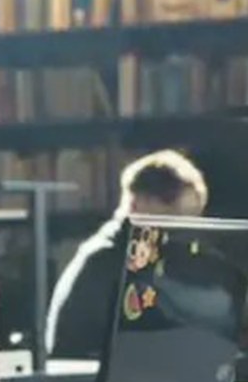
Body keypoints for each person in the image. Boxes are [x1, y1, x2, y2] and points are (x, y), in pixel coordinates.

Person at [46, 149, 209, 359]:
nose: (182, 238)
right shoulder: (105, 261)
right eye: (171, 223)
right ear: (136, 205)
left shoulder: (155, 257)